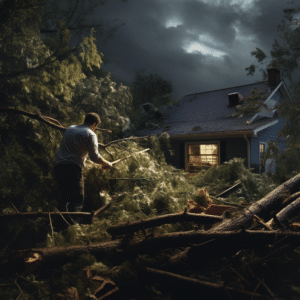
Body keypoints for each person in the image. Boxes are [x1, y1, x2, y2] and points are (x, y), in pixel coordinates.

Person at [53, 112, 113, 228]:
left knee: (64, 198)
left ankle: (58, 227)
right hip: (73, 169)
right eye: (96, 127)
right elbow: (94, 157)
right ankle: (72, 230)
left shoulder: (70, 129)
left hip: (59, 167)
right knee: (76, 200)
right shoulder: (90, 134)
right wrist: (108, 163)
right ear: (94, 124)